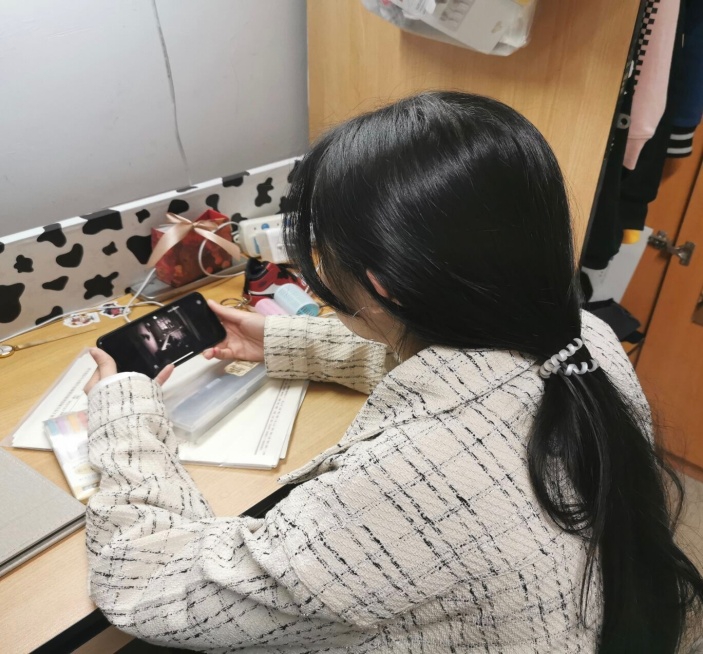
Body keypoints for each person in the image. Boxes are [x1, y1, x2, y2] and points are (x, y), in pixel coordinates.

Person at [85, 92, 703, 653]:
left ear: (382, 284)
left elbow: (150, 584)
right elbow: (463, 367)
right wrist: (278, 338)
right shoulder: (584, 338)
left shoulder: (407, 487)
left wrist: (121, 413)